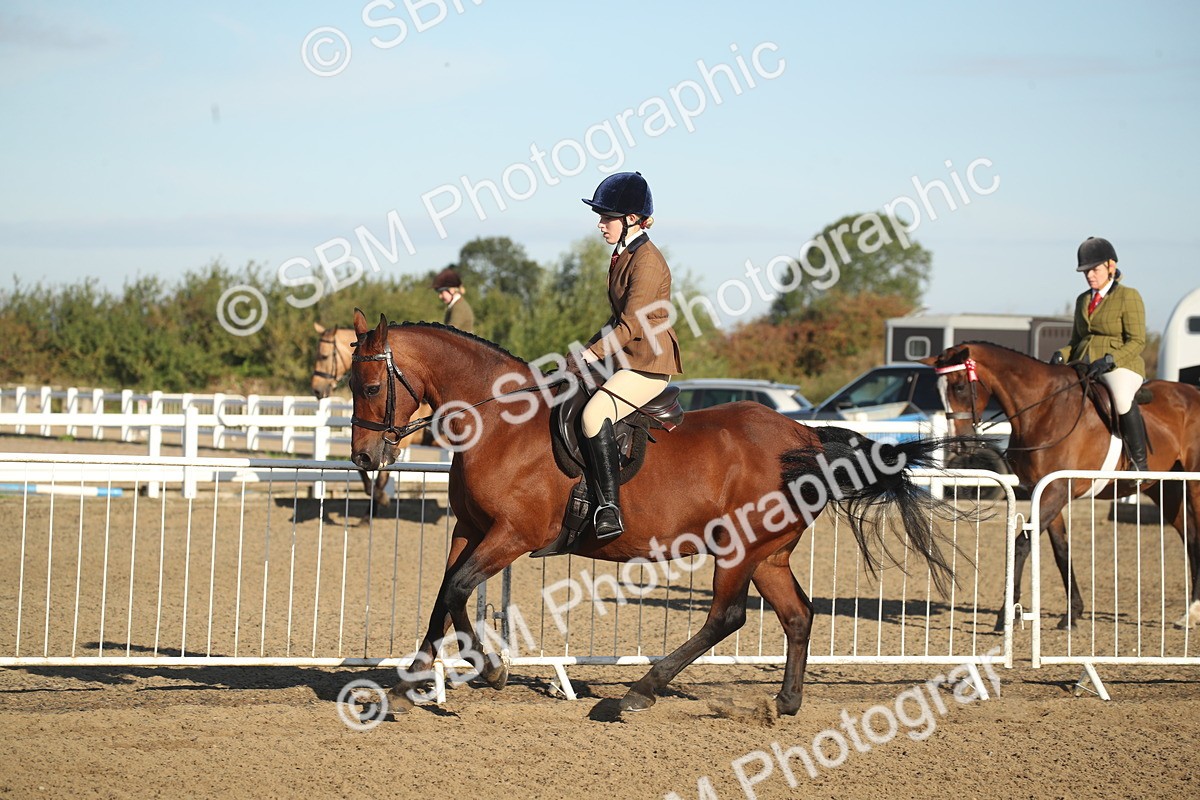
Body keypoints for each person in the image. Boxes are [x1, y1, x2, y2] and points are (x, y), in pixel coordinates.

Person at [574, 171, 683, 540]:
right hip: (627, 357)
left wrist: (592, 354)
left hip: (647, 364)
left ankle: (609, 509)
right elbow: (615, 320)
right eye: (601, 217)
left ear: (631, 219)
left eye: (607, 217)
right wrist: (579, 352)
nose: (601, 225)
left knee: (594, 415)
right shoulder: (626, 254)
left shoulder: (647, 261)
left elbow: (632, 324)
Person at [1051, 236, 1149, 470]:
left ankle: (1140, 462)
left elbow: (1137, 341)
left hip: (1121, 365)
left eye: (1094, 270)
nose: (1089, 276)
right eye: (1085, 272)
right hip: (1085, 363)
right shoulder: (1082, 300)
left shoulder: (1129, 296)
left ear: (1110, 266)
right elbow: (1076, 341)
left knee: (1123, 398)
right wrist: (1061, 354)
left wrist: (1110, 360)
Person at [432, 268, 474, 332]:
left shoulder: (459, 307)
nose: (440, 296)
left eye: (442, 292)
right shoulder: (456, 305)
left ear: (451, 290)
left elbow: (449, 332)